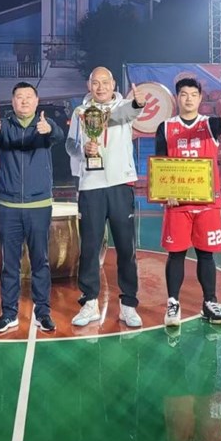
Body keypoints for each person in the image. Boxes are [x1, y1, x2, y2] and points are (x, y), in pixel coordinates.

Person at [67, 67, 148, 328]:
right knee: (90, 248)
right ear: (88, 85)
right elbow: (70, 145)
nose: (100, 87)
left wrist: (137, 103)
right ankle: (89, 302)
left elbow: (129, 113)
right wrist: (83, 149)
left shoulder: (122, 109)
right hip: (90, 187)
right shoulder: (80, 112)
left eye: (105, 82)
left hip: (120, 184)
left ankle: (128, 305)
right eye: (95, 83)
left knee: (126, 248)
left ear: (113, 84)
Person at [0, 83, 64, 334]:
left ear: (37, 101)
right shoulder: (4, 125)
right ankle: (9, 314)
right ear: (13, 101)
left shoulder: (44, 125)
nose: (24, 101)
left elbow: (58, 135)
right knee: (10, 264)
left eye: (29, 97)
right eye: (19, 97)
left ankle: (43, 313)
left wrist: (50, 129)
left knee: (41, 261)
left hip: (39, 205)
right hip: (8, 206)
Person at [154, 77, 221, 327]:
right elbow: (161, 163)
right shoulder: (166, 127)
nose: (188, 99)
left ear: (200, 98)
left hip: (207, 203)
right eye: (184, 94)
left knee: (206, 255)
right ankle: (173, 302)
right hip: (178, 204)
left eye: (193, 94)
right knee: (176, 254)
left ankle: (209, 302)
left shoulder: (211, 124)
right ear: (177, 98)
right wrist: (165, 192)